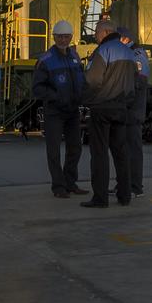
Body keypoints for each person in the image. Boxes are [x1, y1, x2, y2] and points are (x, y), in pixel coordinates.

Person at [80, 18, 135, 208]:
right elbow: (134, 81)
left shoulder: (103, 50)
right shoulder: (128, 52)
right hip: (121, 108)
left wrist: (87, 98)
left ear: (105, 32)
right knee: (121, 152)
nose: (95, 35)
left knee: (99, 153)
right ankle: (125, 195)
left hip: (102, 108)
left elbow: (93, 80)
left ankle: (100, 198)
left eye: (96, 32)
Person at [32, 19, 87, 198]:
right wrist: (56, 97)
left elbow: (82, 80)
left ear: (71, 37)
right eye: (60, 37)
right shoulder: (46, 60)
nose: (63, 40)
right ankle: (58, 186)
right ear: (54, 37)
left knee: (75, 148)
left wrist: (83, 97)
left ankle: (70, 183)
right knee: (54, 151)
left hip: (72, 111)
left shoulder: (75, 57)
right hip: (54, 112)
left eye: (66, 37)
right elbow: (37, 88)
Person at [118, 27, 149, 196]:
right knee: (124, 150)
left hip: (132, 112)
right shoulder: (127, 54)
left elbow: (138, 83)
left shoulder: (136, 55)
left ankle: (135, 186)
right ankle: (124, 184)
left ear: (125, 39)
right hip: (126, 111)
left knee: (133, 150)